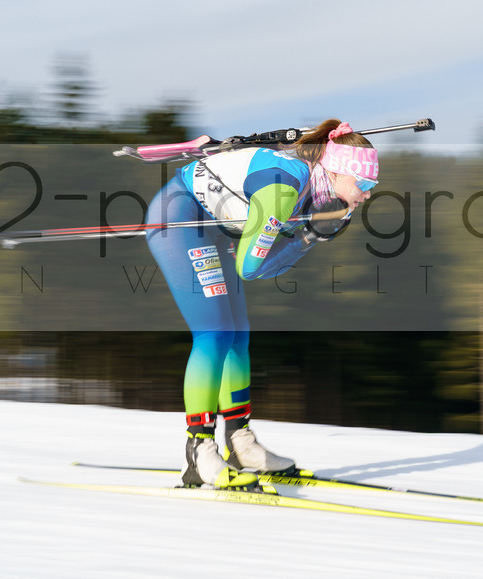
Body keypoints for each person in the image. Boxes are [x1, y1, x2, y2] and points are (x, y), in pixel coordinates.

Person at [145, 119, 379, 489]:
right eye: (363, 184)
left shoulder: (311, 188)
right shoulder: (284, 190)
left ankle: (240, 442)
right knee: (215, 334)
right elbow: (251, 267)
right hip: (181, 219)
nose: (366, 194)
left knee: (237, 335)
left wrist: (305, 233)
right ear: (334, 171)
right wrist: (307, 238)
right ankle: (199, 453)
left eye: (372, 187)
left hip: (216, 227)